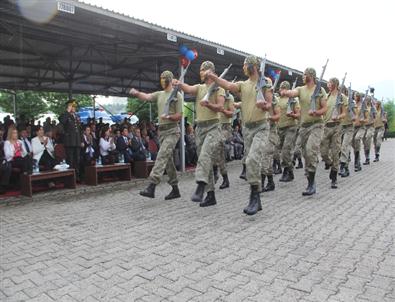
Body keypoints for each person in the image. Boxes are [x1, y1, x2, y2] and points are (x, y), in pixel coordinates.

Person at [207, 55, 273, 215]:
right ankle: (256, 198)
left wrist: (264, 105)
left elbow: (270, 104)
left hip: (261, 128)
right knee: (251, 162)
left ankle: (254, 197)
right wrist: (215, 77)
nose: (243, 68)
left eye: (244, 65)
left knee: (252, 160)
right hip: (247, 129)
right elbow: (229, 85)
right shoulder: (243, 85)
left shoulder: (265, 82)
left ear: (252, 67)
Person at [175, 61, 225, 207]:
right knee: (205, 162)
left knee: (205, 156)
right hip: (200, 129)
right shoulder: (200, 87)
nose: (200, 72)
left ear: (210, 71)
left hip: (213, 127)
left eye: (202, 70)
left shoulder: (218, 88)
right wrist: (178, 84)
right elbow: (188, 88)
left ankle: (200, 185)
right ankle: (211, 195)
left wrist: (208, 104)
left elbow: (220, 108)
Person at [129, 70, 183, 200]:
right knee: (168, 161)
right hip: (162, 132)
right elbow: (147, 97)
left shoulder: (177, 95)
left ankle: (152, 185)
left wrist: (169, 116)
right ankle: (175, 189)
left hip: (173, 131)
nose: (161, 81)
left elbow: (179, 116)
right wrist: (137, 93)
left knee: (161, 155)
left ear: (169, 80)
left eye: (163, 78)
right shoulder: (160, 94)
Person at [280, 67, 327, 196]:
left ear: (311, 76)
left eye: (305, 74)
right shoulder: (301, 89)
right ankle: (309, 179)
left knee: (311, 150)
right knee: (305, 153)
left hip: (316, 125)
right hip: (304, 126)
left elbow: (325, 108)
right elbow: (293, 93)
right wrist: (285, 92)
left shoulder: (320, 90)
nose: (303, 76)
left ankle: (312, 184)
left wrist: (316, 112)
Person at [319, 77, 346, 189]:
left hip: (336, 126)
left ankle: (334, 177)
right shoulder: (326, 96)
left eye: (330, 83)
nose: (328, 85)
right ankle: (329, 163)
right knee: (323, 151)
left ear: (335, 84)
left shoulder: (342, 97)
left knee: (335, 152)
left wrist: (338, 116)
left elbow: (344, 113)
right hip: (326, 126)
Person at [277, 81, 300, 182]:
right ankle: (287, 169)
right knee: (278, 151)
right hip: (279, 128)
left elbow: (298, 114)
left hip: (290, 127)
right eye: (281, 88)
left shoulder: (293, 100)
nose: (281, 90)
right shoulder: (276, 100)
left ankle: (287, 171)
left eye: (284, 88)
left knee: (286, 150)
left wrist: (293, 115)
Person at [214, 91, 235, 189]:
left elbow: (231, 113)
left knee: (218, 145)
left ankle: (219, 175)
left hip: (225, 127)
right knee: (215, 151)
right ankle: (220, 175)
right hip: (215, 126)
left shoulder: (229, 97)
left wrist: (222, 110)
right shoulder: (215, 94)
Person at [260, 91, 280, 192]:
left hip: (270, 131)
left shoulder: (273, 100)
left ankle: (262, 183)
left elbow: (278, 116)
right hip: (259, 131)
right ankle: (270, 182)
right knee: (267, 158)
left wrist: (269, 118)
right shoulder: (258, 97)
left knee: (265, 155)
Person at [59, 99, 82, 179]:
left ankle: (77, 176)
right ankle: (71, 177)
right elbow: (62, 121)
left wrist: (81, 140)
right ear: (69, 107)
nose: (74, 108)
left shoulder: (77, 116)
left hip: (77, 141)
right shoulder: (65, 115)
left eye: (74, 107)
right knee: (70, 160)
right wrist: (67, 111)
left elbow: (79, 130)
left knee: (77, 159)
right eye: (72, 106)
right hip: (69, 141)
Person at [339, 89, 356, 178]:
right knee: (340, 148)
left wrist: (351, 111)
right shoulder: (338, 102)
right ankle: (345, 165)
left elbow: (355, 116)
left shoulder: (351, 102)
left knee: (344, 146)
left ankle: (344, 167)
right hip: (340, 127)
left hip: (349, 127)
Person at [352, 92, 367, 172]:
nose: (354, 97)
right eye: (354, 96)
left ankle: (356, 161)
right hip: (353, 127)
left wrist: (363, 120)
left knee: (357, 139)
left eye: (356, 96)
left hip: (361, 127)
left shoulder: (363, 106)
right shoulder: (353, 105)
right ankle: (357, 160)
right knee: (354, 145)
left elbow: (367, 119)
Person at [362, 96, 375, 165]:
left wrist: (373, 121)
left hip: (370, 126)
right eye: (366, 100)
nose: (366, 101)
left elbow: (375, 117)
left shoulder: (372, 108)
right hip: (364, 126)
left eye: (367, 100)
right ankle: (367, 157)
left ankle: (368, 157)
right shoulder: (363, 108)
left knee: (368, 138)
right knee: (365, 143)